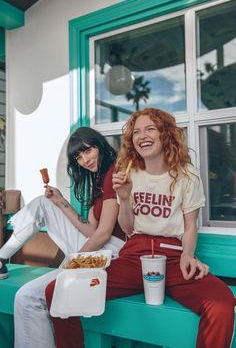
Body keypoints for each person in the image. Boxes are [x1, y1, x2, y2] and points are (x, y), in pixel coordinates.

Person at [45, 108, 235, 348]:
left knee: (221, 302)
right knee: (57, 291)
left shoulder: (187, 175)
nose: (142, 135)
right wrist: (124, 198)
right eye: (136, 132)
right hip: (134, 256)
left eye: (150, 129)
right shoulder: (128, 172)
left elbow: (190, 226)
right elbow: (127, 228)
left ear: (165, 134)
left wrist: (188, 254)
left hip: (174, 256)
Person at [0, 126, 126, 348]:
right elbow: (90, 231)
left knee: (27, 297)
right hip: (98, 246)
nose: (85, 160)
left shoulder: (112, 173)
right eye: (78, 156)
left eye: (88, 151)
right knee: (43, 201)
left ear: (100, 146)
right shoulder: (98, 178)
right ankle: (1, 257)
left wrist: (72, 263)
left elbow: (103, 234)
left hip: (111, 253)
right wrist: (60, 201)